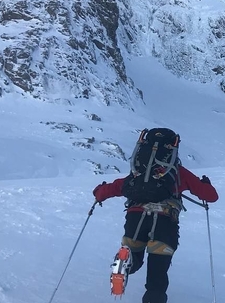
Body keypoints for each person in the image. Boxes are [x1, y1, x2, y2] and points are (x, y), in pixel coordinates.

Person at [93, 128, 218, 303]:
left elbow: (116, 187)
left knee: (134, 254)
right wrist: (206, 184)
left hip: (135, 218)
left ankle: (127, 262)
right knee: (157, 278)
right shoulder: (176, 172)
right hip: (165, 221)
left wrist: (100, 192)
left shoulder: (138, 172)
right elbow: (211, 196)